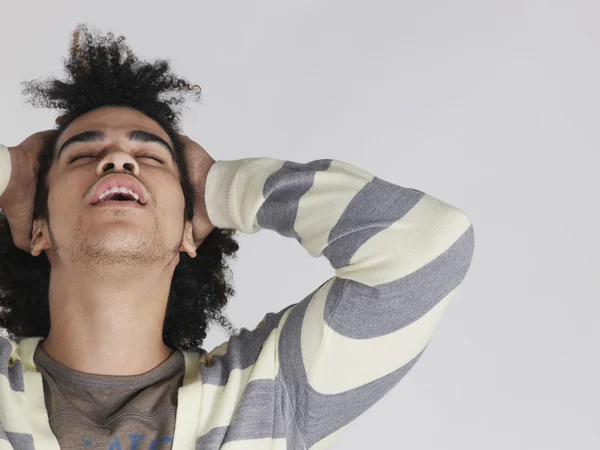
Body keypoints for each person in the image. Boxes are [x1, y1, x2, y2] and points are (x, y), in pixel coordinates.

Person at [0, 24, 475, 450]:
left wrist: (221, 186)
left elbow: (429, 242)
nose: (119, 161)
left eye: (152, 158)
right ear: (37, 225)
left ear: (190, 230)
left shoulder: (266, 397)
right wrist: (14, 172)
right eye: (83, 156)